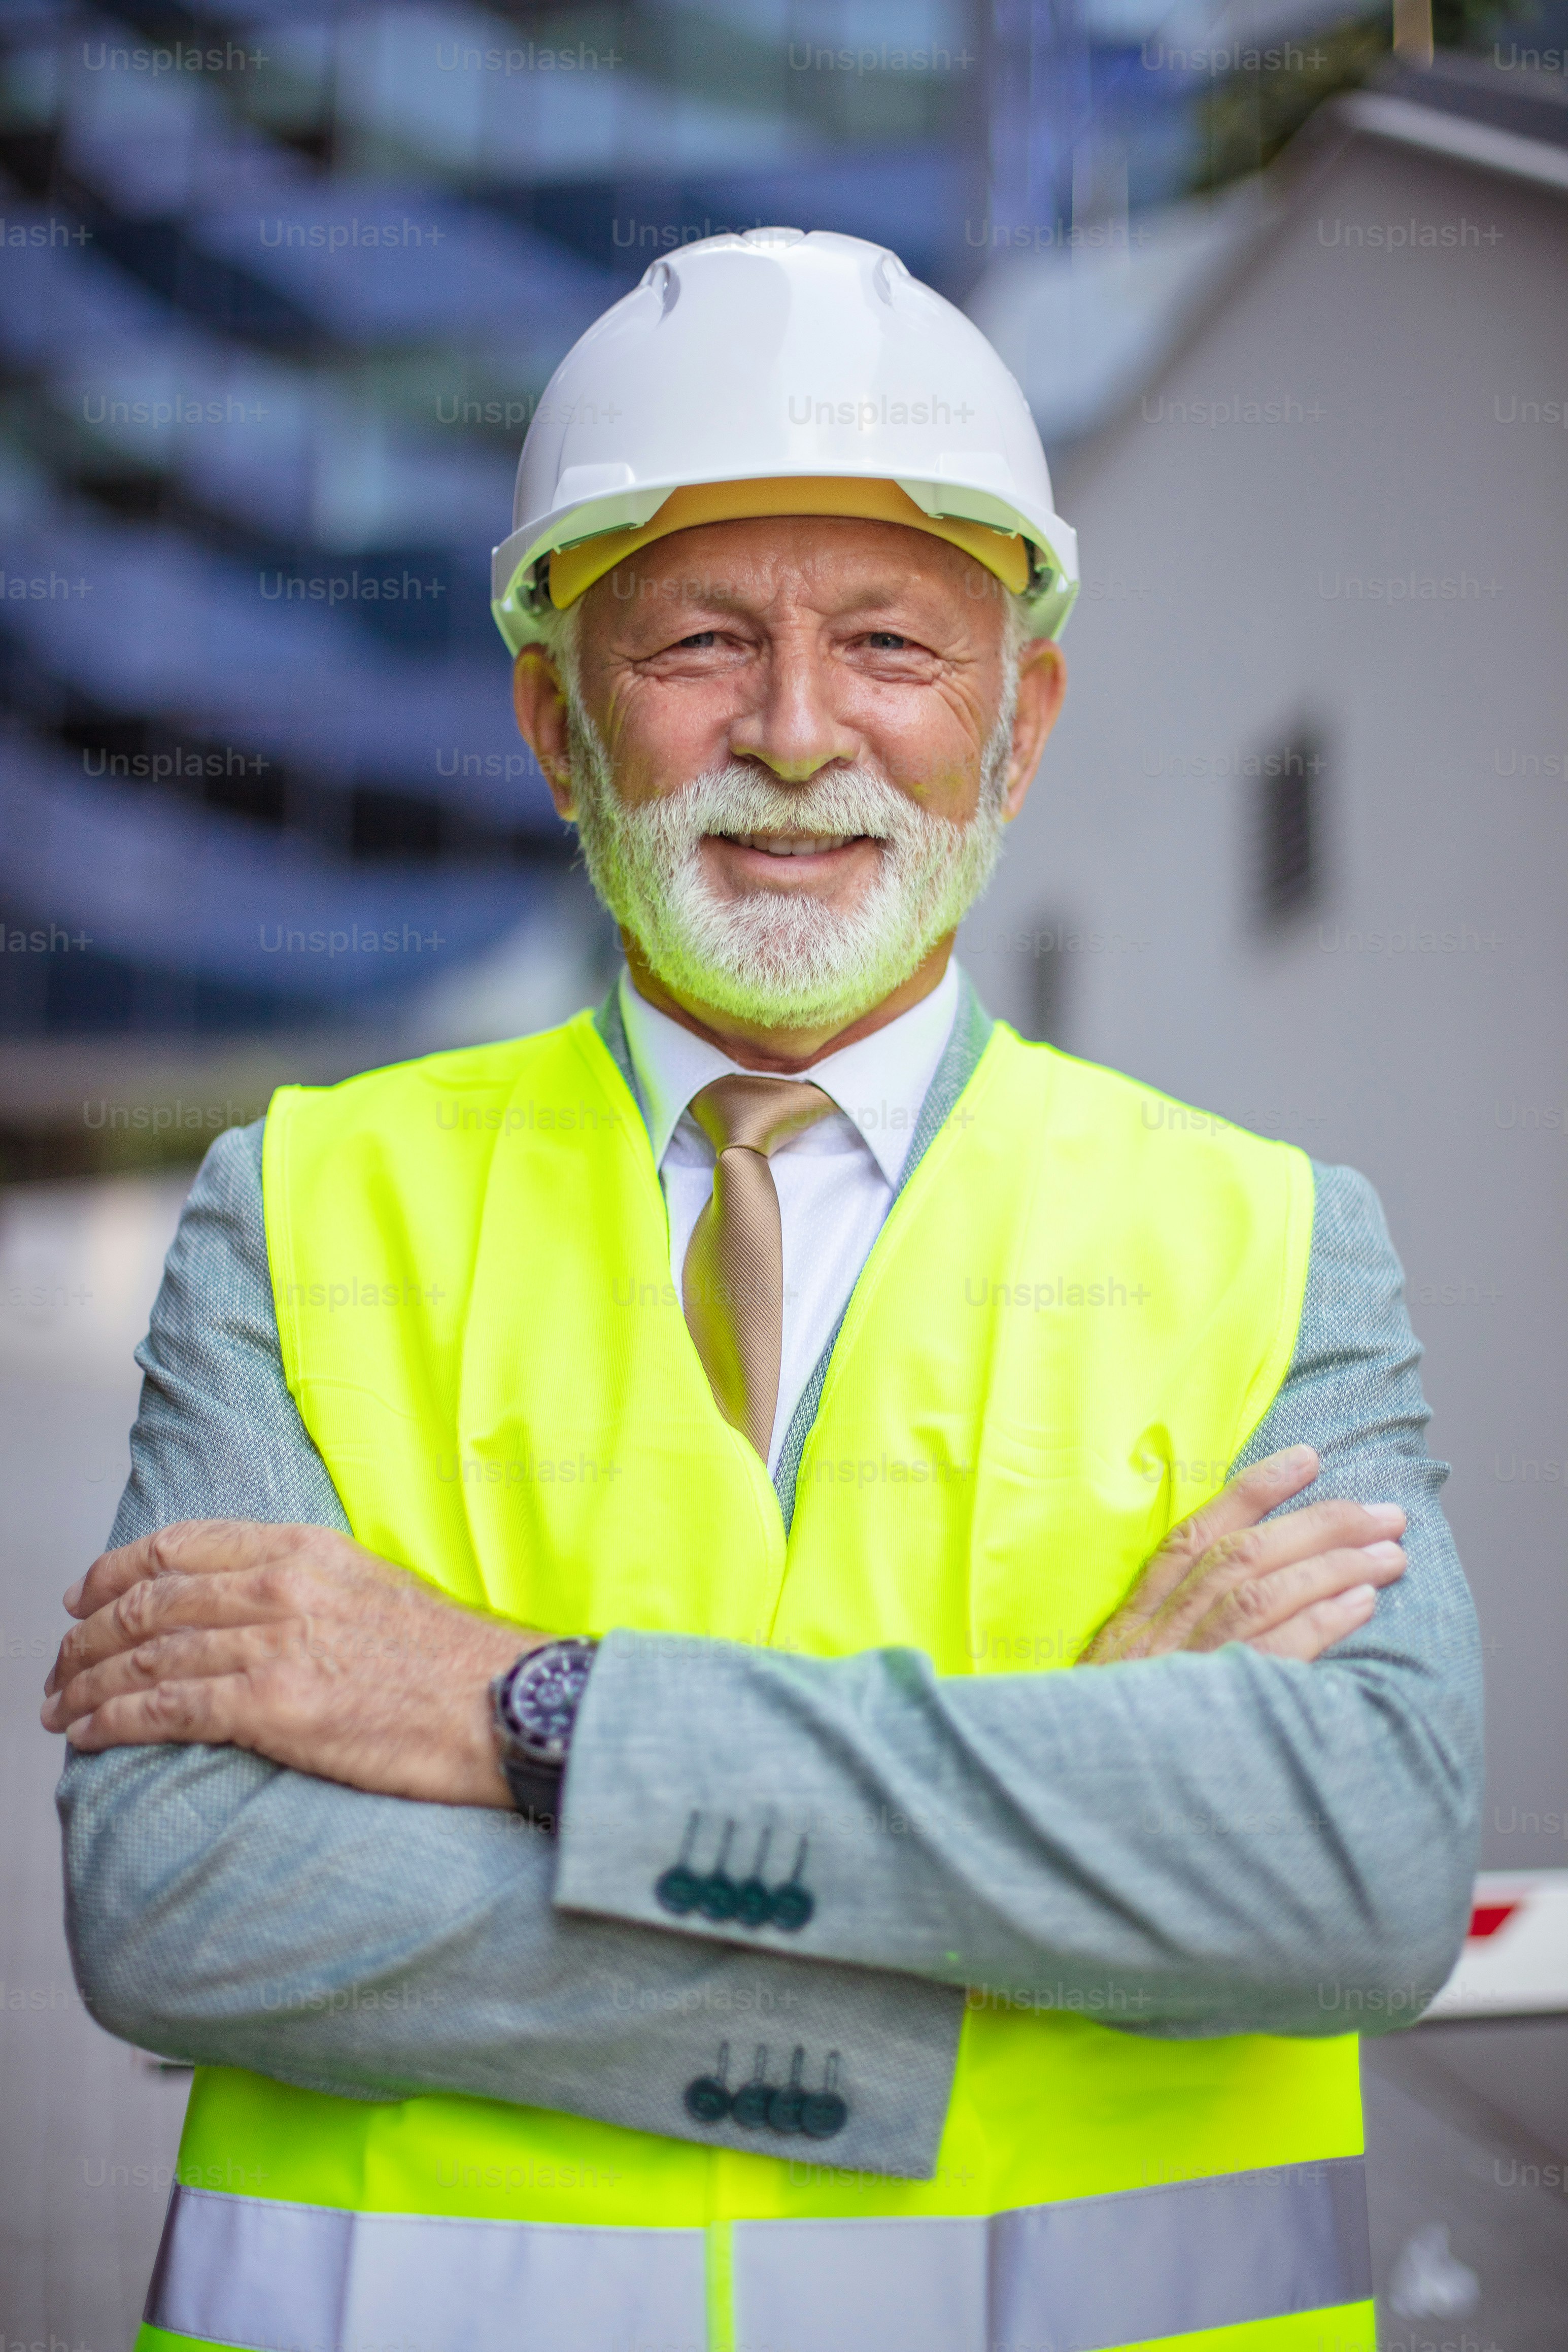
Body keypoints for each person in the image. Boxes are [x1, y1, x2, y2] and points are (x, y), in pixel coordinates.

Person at [45, 230, 1480, 2352]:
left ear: (1020, 722)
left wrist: (518, 1712)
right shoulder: (304, 1205)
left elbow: (1345, 1871)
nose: (798, 733)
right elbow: (182, 1896)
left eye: (893, 643)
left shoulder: (1265, 1236)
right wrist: (1067, 1818)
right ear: (555, 723)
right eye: (701, 640)